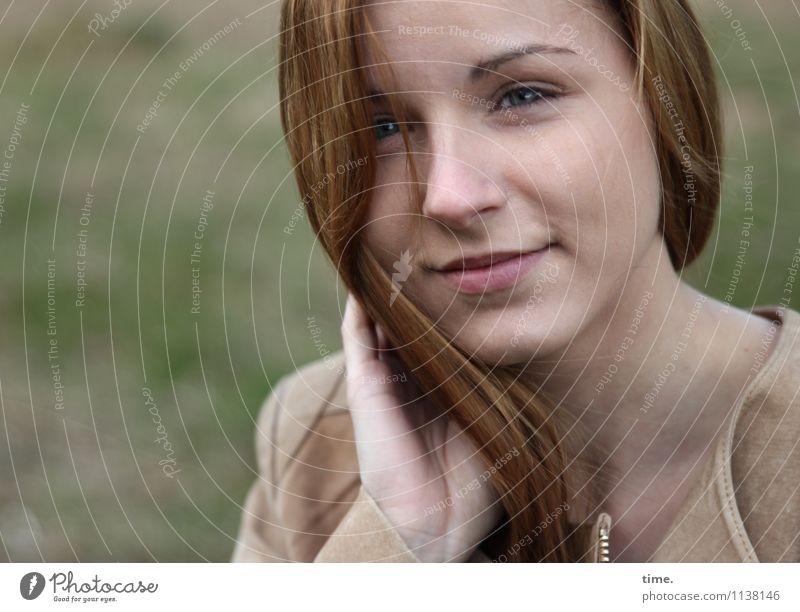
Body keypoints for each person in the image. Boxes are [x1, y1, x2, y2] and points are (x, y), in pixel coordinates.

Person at [232, 0, 800, 562]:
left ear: (663, 98)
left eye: (522, 96)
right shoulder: (317, 434)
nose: (451, 197)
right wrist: (403, 542)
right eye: (379, 127)